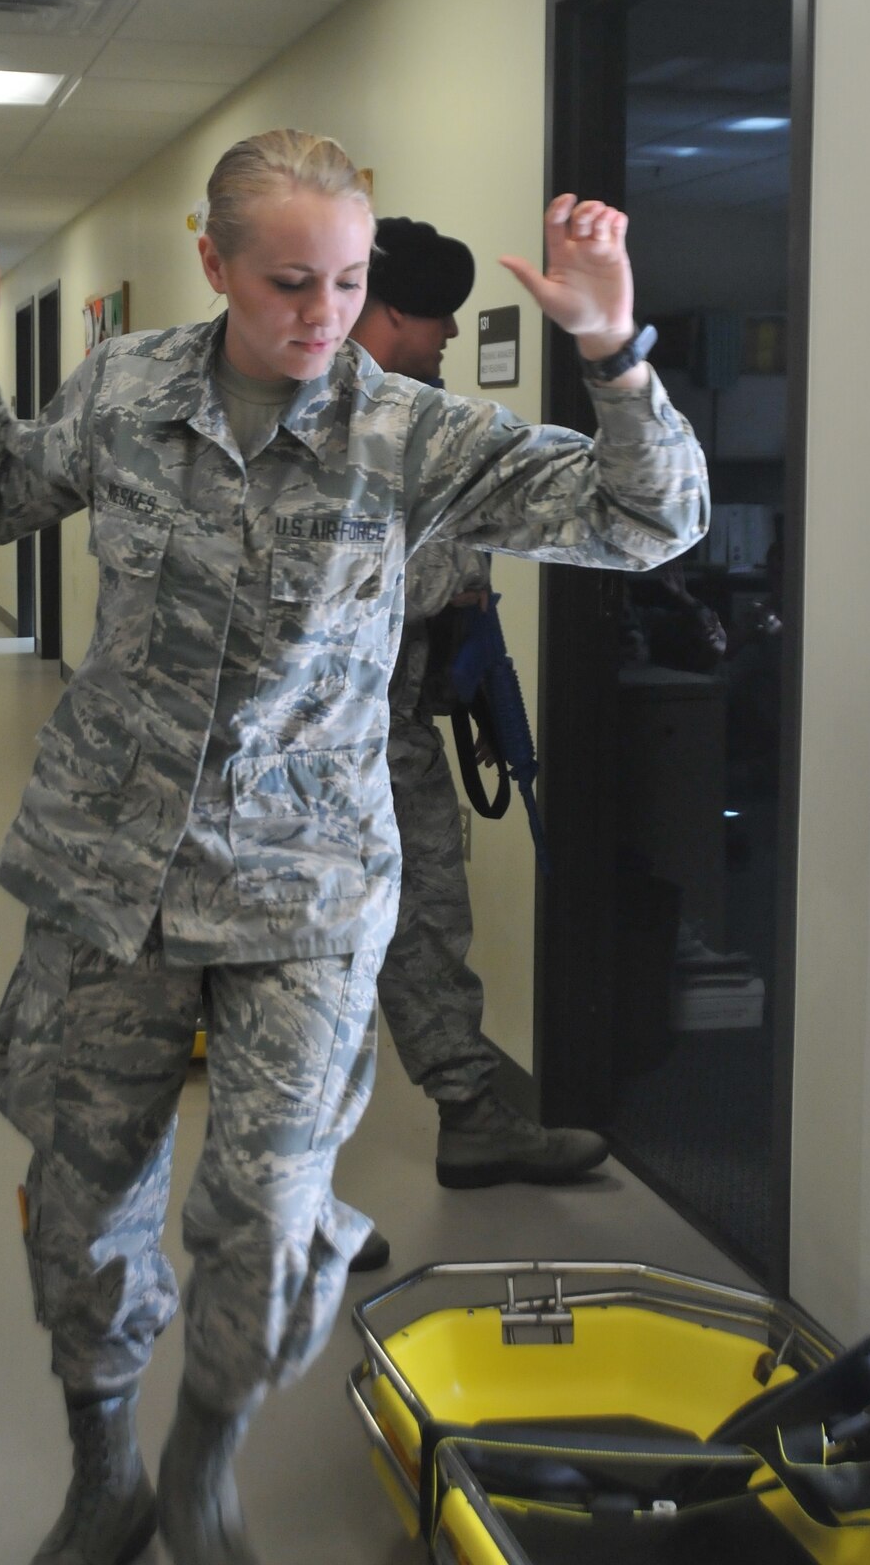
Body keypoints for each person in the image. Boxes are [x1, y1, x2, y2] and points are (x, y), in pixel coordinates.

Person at [0, 130, 708, 1565]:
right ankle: (106, 1474)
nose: (326, 315)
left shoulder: (405, 429)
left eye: (350, 282)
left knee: (273, 1211)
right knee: (83, 1203)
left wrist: (614, 355)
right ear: (213, 261)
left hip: (305, 889)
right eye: (291, 281)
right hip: (109, 879)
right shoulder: (126, 387)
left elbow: (651, 519)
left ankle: (206, 1463)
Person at [349, 216, 607, 1204]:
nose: (452, 333)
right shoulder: (319, 409)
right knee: (304, 947)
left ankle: (470, 1112)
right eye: (439, 317)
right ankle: (288, 1196)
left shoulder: (424, 412)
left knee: (428, 912)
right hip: (303, 743)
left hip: (399, 726)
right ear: (391, 311)